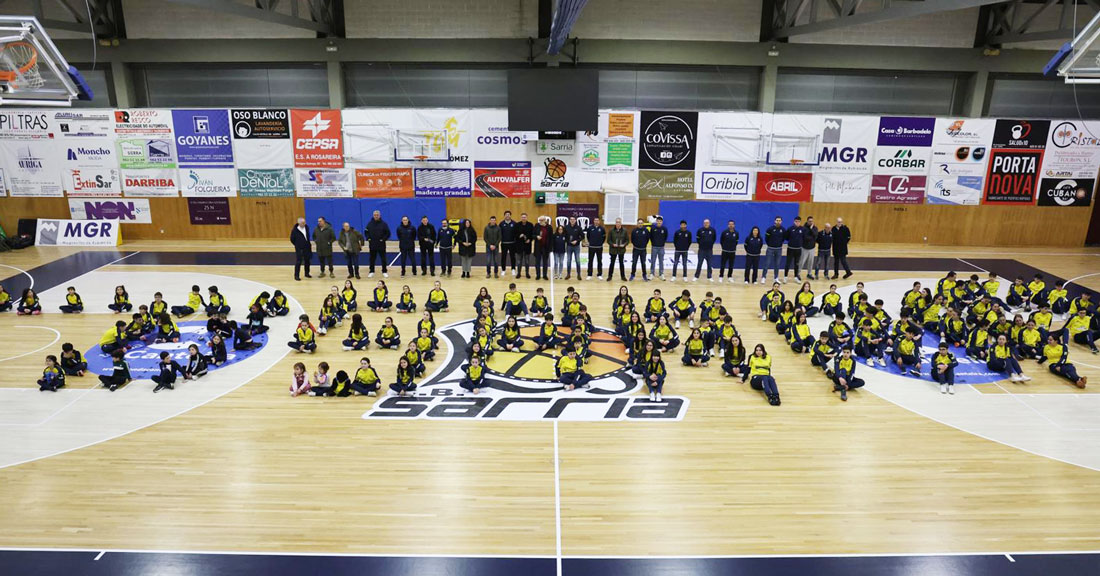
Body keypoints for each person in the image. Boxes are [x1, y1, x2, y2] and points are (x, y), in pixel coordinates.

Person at [365, 210, 391, 278]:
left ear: (379, 215)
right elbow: (366, 232)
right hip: (372, 245)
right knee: (372, 259)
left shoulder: (384, 224)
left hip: (381, 245)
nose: (376, 216)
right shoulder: (369, 224)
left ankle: (384, 271)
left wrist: (383, 239)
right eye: (375, 215)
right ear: (373, 216)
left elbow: (388, 233)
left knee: (383, 259)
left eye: (377, 215)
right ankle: (371, 271)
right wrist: (368, 239)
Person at [606, 218, 628, 282]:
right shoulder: (611, 230)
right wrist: (612, 244)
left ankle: (623, 276)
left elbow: (627, 240)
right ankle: (610, 276)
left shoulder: (625, 231)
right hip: (613, 250)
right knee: (612, 263)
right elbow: (608, 240)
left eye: (619, 222)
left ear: (621, 223)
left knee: (621, 263)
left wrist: (624, 245)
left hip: (621, 250)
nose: (618, 223)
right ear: (615, 223)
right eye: (617, 222)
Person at [533, 216, 552, 281]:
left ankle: (544, 275)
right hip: (538, 247)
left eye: (541, 220)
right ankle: (538, 275)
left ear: (545, 220)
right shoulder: (536, 226)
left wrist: (550, 248)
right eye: (539, 220)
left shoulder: (549, 227)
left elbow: (551, 238)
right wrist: (536, 236)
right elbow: (532, 234)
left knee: (545, 262)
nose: (540, 221)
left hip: (545, 247)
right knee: (537, 262)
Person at [564, 216, 583, 280]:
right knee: (568, 261)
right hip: (569, 246)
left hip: (576, 247)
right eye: (571, 219)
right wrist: (569, 241)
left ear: (575, 220)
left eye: (573, 219)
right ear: (569, 220)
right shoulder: (566, 227)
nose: (572, 220)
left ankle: (579, 275)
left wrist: (577, 241)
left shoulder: (579, 228)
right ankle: (568, 274)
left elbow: (582, 236)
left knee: (578, 261)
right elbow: (564, 236)